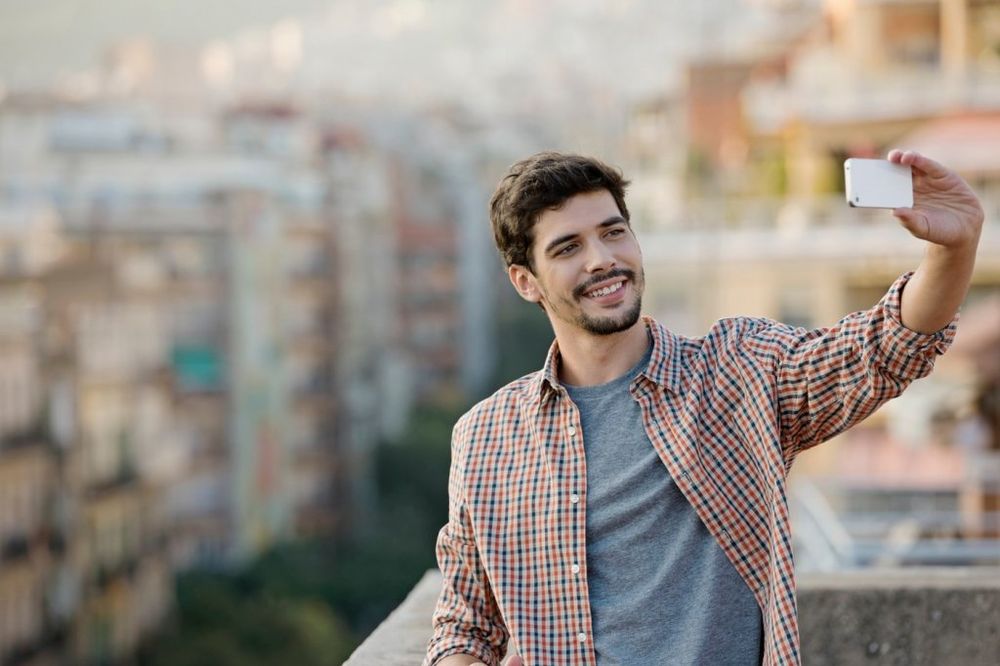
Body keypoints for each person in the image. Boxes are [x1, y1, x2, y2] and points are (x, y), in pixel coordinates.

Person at [424, 150, 983, 666]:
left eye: (613, 233)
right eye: (568, 247)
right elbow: (465, 625)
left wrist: (953, 249)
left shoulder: (735, 373)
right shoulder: (486, 437)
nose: (602, 260)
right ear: (526, 282)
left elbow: (884, 348)